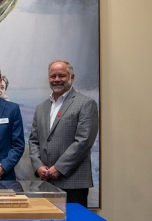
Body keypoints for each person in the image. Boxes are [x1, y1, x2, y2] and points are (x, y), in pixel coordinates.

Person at [28, 60, 99, 207]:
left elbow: (84, 141)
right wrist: (38, 166)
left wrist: (59, 168)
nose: (57, 80)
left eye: (62, 76)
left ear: (71, 78)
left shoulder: (86, 104)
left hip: (73, 183)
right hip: (46, 182)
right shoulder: (41, 108)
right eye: (53, 76)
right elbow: (34, 140)